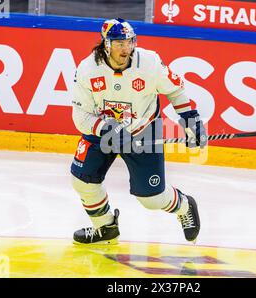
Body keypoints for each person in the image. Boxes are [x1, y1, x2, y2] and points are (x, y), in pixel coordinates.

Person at [70, 18, 208, 245]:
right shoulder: (87, 69)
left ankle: (184, 205)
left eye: (129, 42)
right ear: (106, 44)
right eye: (119, 43)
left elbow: (175, 90)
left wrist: (190, 118)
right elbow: (81, 117)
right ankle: (105, 226)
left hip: (143, 131)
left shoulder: (150, 63)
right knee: (82, 181)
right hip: (102, 130)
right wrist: (106, 128)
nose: (126, 48)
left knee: (152, 199)